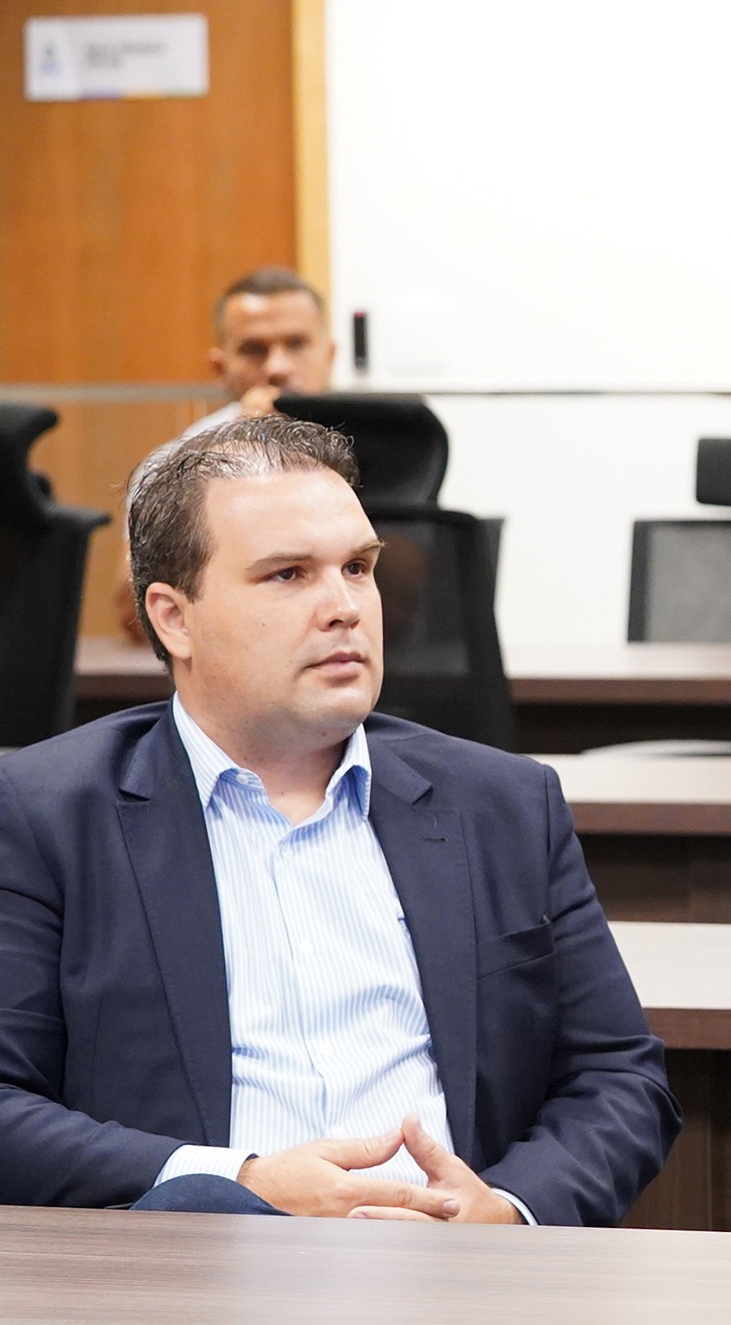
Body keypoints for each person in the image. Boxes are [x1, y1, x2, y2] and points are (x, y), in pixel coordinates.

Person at [0, 414, 678, 1221]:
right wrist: (239, 1182)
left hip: (455, 1273)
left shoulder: (503, 804)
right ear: (175, 618)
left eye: (358, 567)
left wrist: (505, 1209)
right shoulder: (45, 814)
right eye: (288, 574)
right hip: (198, 1271)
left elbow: (618, 1076)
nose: (345, 607)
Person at [194, 267, 339, 434]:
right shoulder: (193, 448)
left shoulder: (363, 438)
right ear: (220, 368)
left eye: (296, 345)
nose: (277, 369)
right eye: (254, 350)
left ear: (329, 358)